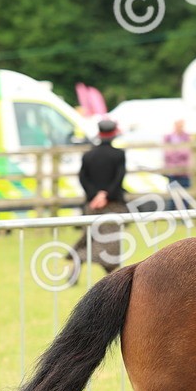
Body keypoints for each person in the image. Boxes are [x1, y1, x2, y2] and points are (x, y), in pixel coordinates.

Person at [68, 119, 126, 286]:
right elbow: (119, 177)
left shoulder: (88, 155)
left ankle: (79, 267)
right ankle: (113, 277)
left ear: (99, 134)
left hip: (92, 206)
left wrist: (95, 195)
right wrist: (105, 195)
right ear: (114, 133)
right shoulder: (118, 155)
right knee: (111, 244)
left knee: (90, 238)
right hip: (113, 205)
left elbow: (82, 178)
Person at [162, 119, 192, 190]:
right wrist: (179, 152)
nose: (179, 127)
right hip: (172, 171)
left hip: (184, 171)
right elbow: (167, 153)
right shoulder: (168, 137)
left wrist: (175, 151)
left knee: (185, 194)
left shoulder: (187, 137)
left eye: (181, 126)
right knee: (173, 194)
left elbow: (187, 153)